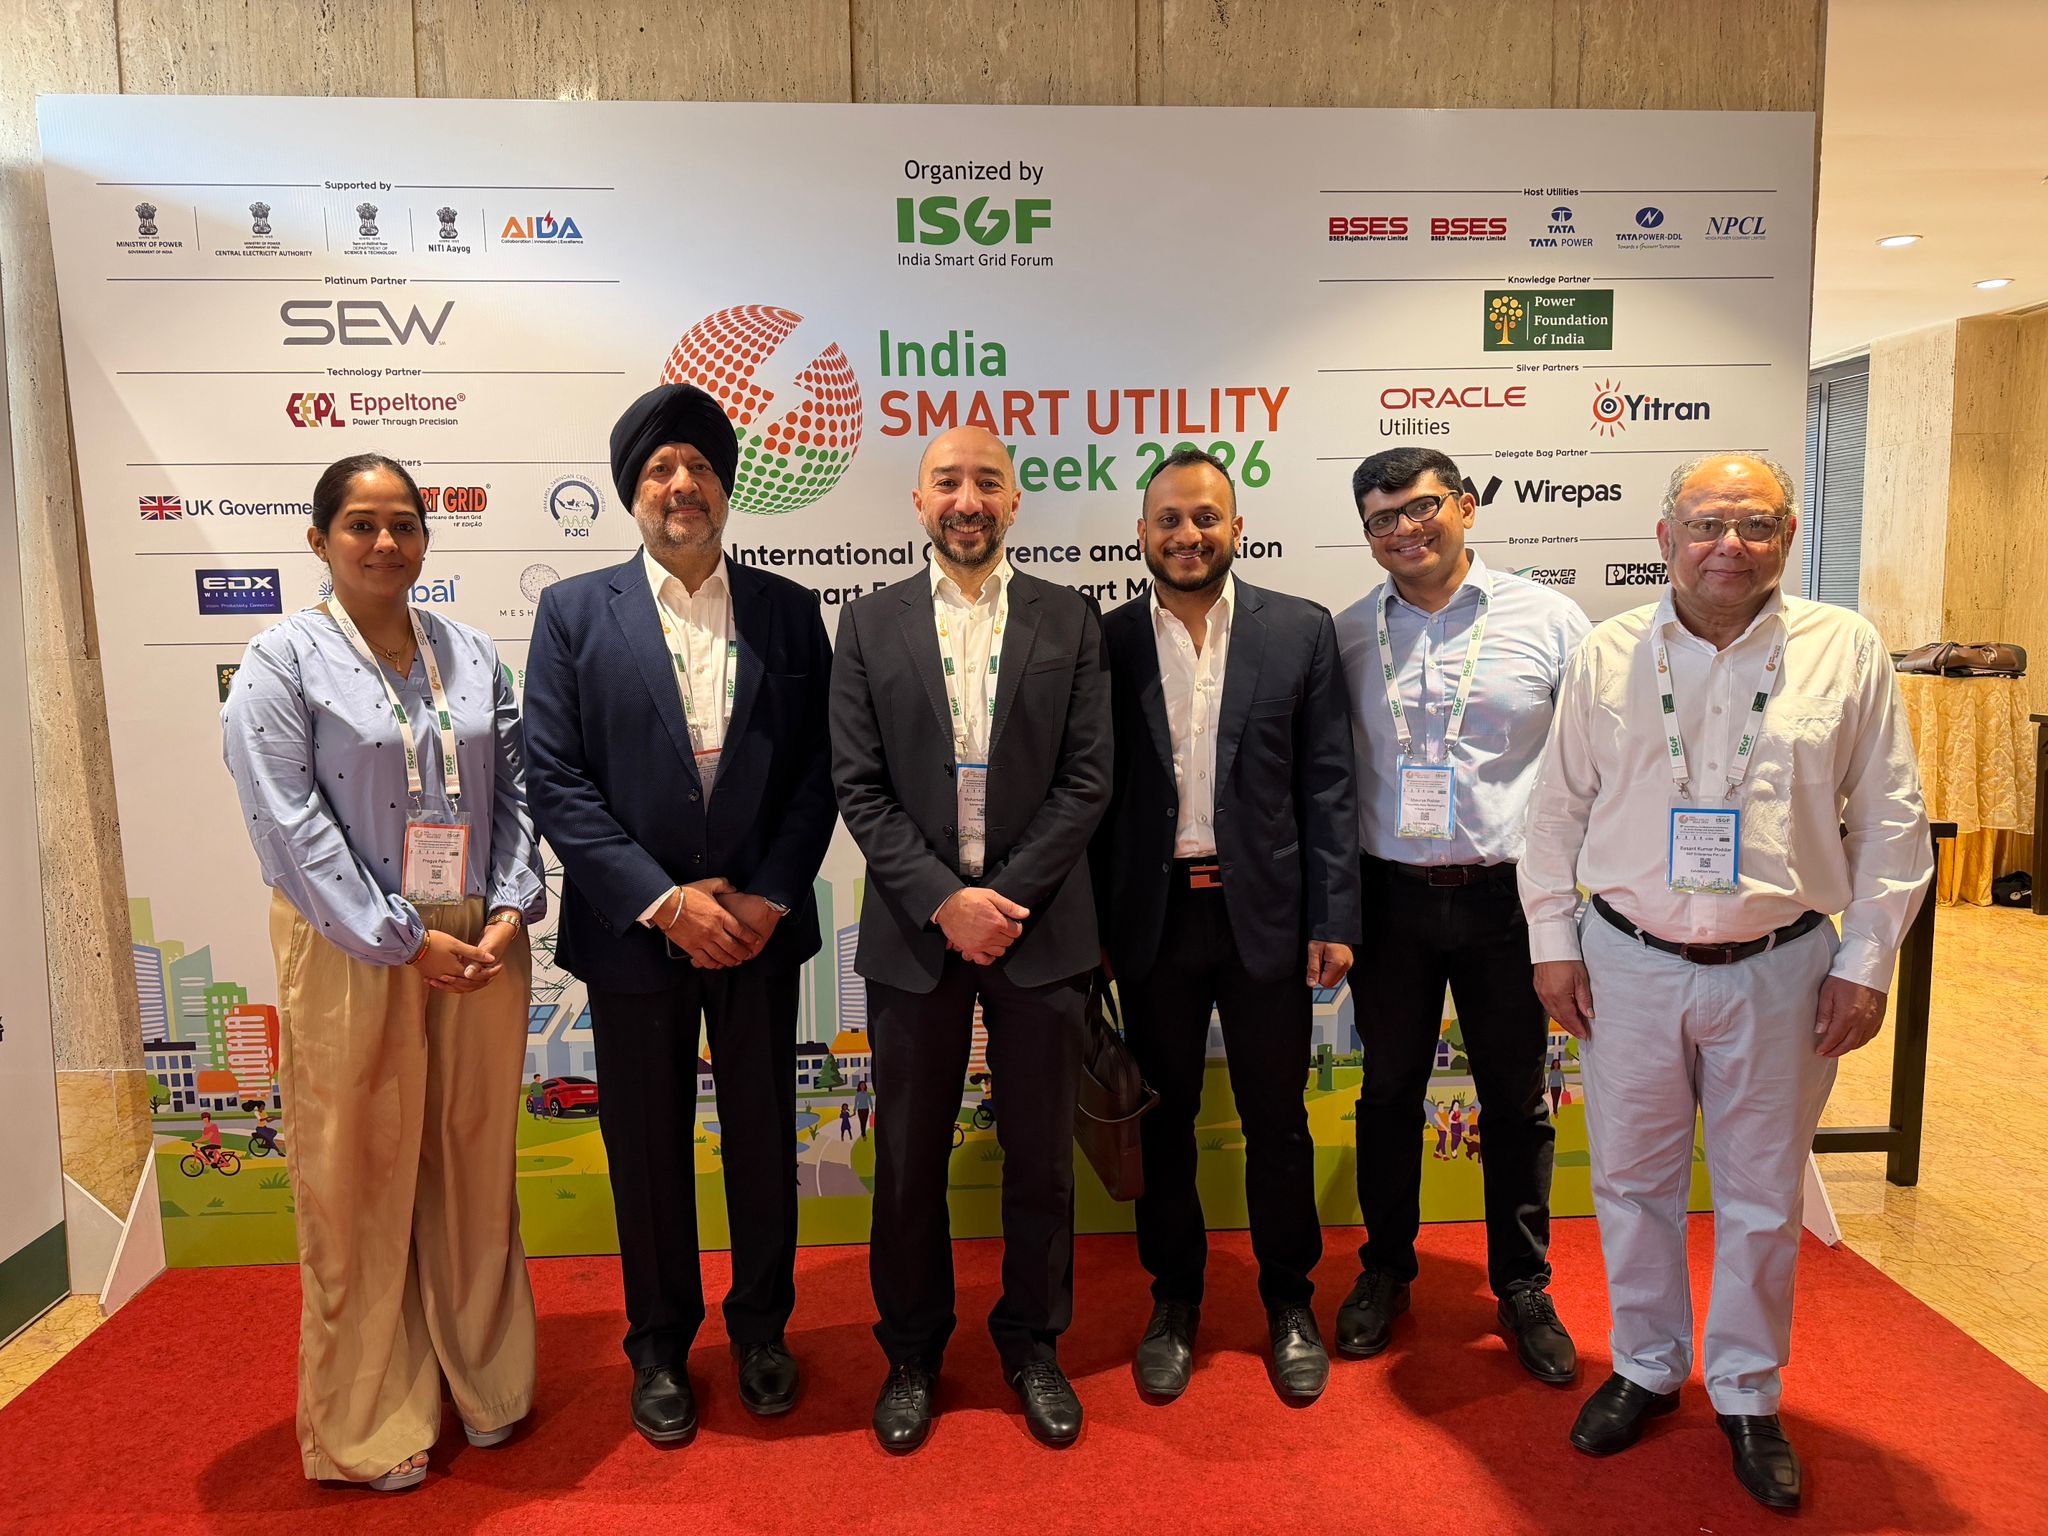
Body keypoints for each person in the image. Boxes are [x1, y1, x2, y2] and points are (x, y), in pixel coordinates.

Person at [1519, 454, 1933, 1510]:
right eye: (1705, 524)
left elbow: (1890, 818)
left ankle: (1747, 1390)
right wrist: (1551, 940)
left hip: (1781, 967)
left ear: (1787, 536)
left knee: (1759, 1194)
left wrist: (1865, 962)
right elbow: (1557, 809)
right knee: (1630, 1183)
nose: (1727, 546)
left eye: (1753, 525)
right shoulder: (1609, 651)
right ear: (1665, 538)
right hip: (1627, 961)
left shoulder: (1843, 649)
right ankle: (1648, 1367)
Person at [222, 452, 545, 1491]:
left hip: (479, 943)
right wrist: (399, 936)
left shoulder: (470, 652)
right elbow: (287, 823)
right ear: (319, 539)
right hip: (353, 943)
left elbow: (519, 790)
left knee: (473, 1165)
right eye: (361, 524)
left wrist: (509, 905)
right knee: (356, 1178)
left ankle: (487, 1382)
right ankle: (366, 1421)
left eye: (403, 523)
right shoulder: (280, 662)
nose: (385, 542)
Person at [523, 383, 837, 1443]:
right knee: (647, 1149)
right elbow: (555, 778)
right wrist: (662, 903)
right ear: (632, 491)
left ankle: (761, 1332)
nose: (681, 484)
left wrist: (767, 895)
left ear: (725, 486)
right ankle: (658, 1346)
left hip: (755, 931)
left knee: (761, 1139)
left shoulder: (788, 611)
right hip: (633, 937)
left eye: (700, 466)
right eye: (660, 468)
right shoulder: (575, 613)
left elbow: (819, 772)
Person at [830, 425, 1111, 1452]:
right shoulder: (868, 624)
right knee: (908, 1159)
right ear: (917, 500)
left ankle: (1034, 1345)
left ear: (1013, 501)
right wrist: (947, 901)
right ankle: (910, 1352)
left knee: (1040, 1159)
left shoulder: (1069, 618)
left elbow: (1088, 778)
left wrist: (1004, 900)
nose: (967, 499)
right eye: (946, 481)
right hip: (916, 934)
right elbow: (857, 785)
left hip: (1041, 929)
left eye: (987, 481)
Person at [1092, 447, 1359, 1405]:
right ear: (1141, 534)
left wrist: (1334, 914)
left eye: (1206, 517)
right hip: (1152, 920)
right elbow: (1088, 796)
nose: (1188, 535)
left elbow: (1329, 783)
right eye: (1169, 519)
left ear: (1237, 527)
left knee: (1277, 1120)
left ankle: (1289, 1302)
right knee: (1161, 1123)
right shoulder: (1106, 640)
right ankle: (1175, 1301)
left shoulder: (1300, 630)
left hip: (1269, 919)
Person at [1332, 446, 1590, 1384]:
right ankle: (1385, 1270)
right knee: (1388, 1093)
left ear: (1467, 506)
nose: (1405, 530)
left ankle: (1522, 1284)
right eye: (1383, 519)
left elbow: (1591, 766)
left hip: (1511, 901)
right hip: (1390, 898)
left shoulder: (1551, 621)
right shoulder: (1347, 634)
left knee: (1515, 1101)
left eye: (1422, 507)